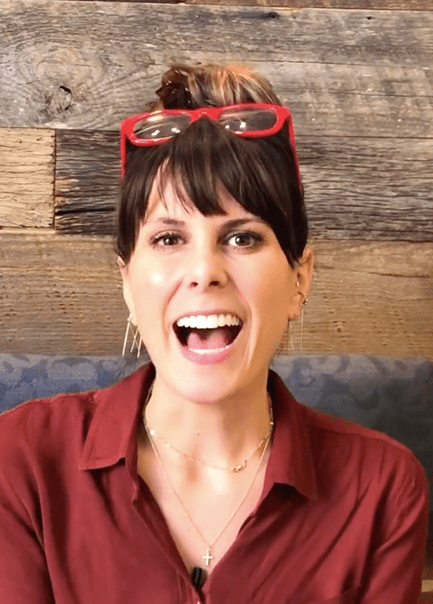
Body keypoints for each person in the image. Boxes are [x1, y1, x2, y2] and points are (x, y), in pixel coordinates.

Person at [0, 64, 428, 604]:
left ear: (299, 279)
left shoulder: (384, 488)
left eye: (243, 238)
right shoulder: (19, 459)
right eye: (168, 239)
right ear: (127, 282)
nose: (205, 272)